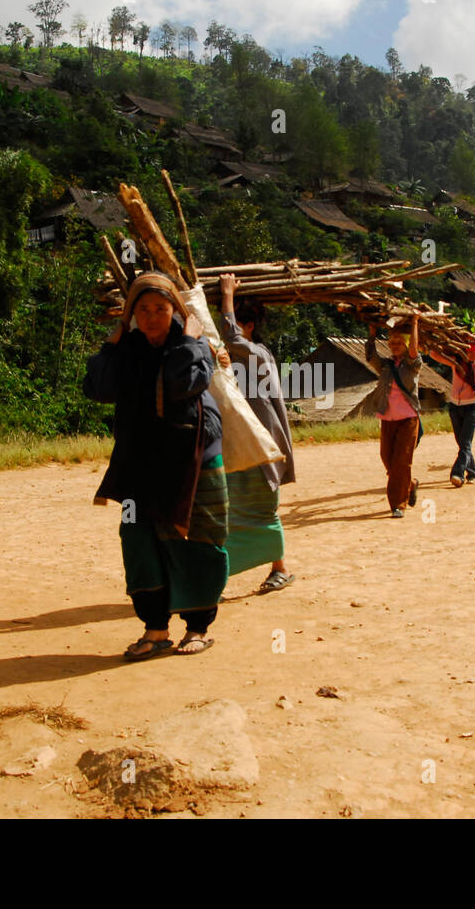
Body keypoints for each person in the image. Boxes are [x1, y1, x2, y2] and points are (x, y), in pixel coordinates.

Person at [83, 272, 227, 659]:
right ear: (130, 313)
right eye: (142, 309)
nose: (150, 317)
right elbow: (97, 389)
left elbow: (183, 384)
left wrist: (186, 340)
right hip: (139, 462)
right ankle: (156, 628)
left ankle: (198, 627)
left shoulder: (195, 345)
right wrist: (111, 345)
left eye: (160, 309)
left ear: (175, 310)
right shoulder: (128, 349)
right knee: (138, 541)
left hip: (195, 458)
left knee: (200, 540)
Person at [216, 272, 296, 593]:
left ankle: (277, 568)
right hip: (247, 445)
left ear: (248, 327)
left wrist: (225, 294)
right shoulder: (236, 359)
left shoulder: (257, 354)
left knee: (261, 508)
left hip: (264, 448)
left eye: (237, 323)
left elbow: (232, 339)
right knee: (235, 509)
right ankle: (277, 567)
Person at [365, 315, 421, 518]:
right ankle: (410, 483)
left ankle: (398, 505)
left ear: (406, 344)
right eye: (392, 342)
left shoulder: (413, 365)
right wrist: (372, 335)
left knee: (401, 461)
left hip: (408, 419)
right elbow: (371, 357)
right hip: (388, 418)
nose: (395, 345)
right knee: (387, 459)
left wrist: (415, 323)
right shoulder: (386, 366)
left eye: (399, 342)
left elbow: (414, 351)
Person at [429, 331, 475, 487]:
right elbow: (434, 355)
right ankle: (473, 473)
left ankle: (457, 474)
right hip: (454, 407)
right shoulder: (456, 363)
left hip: (472, 407)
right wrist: (444, 342)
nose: (470, 353)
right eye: (468, 350)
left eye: (473, 350)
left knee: (465, 442)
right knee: (462, 443)